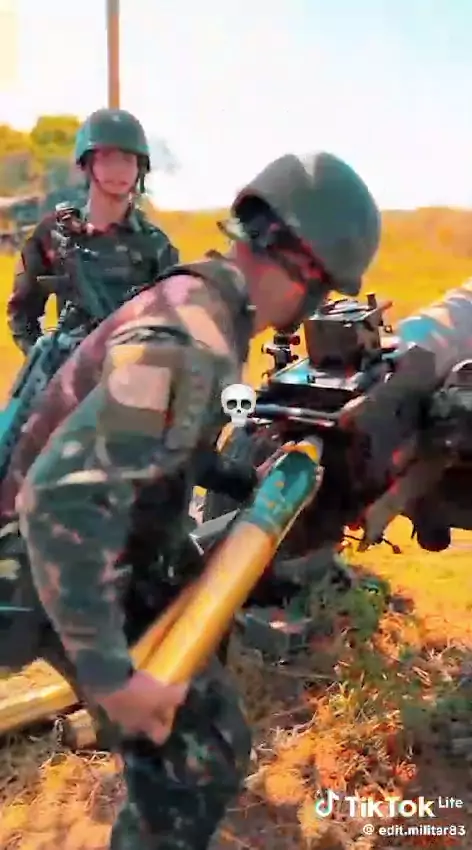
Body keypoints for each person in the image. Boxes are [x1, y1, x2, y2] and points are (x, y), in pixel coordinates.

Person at [10, 151, 380, 849]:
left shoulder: (202, 300)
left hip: (110, 541)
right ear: (303, 267)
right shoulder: (193, 337)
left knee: (209, 734)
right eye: (324, 292)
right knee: (196, 762)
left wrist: (247, 483)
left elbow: (158, 441)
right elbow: (58, 504)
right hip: (39, 565)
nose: (315, 311)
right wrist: (114, 679)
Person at [7, 108, 179, 355]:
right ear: (87, 164)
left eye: (127, 160)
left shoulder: (156, 246)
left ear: (140, 169)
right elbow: (21, 314)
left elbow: (172, 324)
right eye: (107, 158)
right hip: (69, 370)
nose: (118, 170)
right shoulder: (52, 235)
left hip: (133, 369)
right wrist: (46, 361)